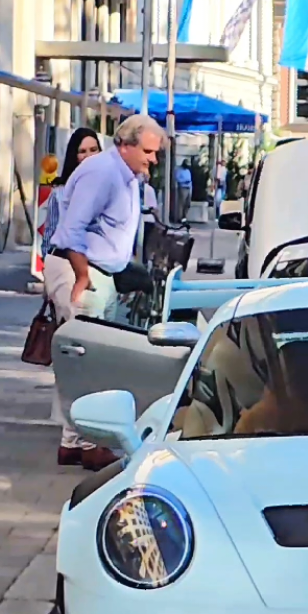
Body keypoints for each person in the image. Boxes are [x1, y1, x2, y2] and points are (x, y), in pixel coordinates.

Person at [43, 114, 165, 470]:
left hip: (99, 271)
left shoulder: (126, 176)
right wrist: (82, 277)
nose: (152, 160)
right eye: (148, 152)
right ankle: (86, 443)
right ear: (125, 145)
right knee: (88, 360)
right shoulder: (103, 172)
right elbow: (71, 230)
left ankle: (73, 442)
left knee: (88, 359)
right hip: (82, 270)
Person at [41, 128, 102, 262]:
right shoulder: (60, 192)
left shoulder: (111, 188)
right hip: (66, 263)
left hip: (101, 264)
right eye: (82, 151)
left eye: (93, 150)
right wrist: (48, 262)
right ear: (74, 155)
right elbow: (50, 231)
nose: (89, 156)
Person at [175, 158, 192, 224]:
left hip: (189, 188)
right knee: (181, 203)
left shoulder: (188, 171)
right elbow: (177, 179)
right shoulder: (179, 170)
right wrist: (184, 181)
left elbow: (190, 180)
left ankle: (184, 217)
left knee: (187, 204)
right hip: (183, 188)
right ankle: (180, 218)